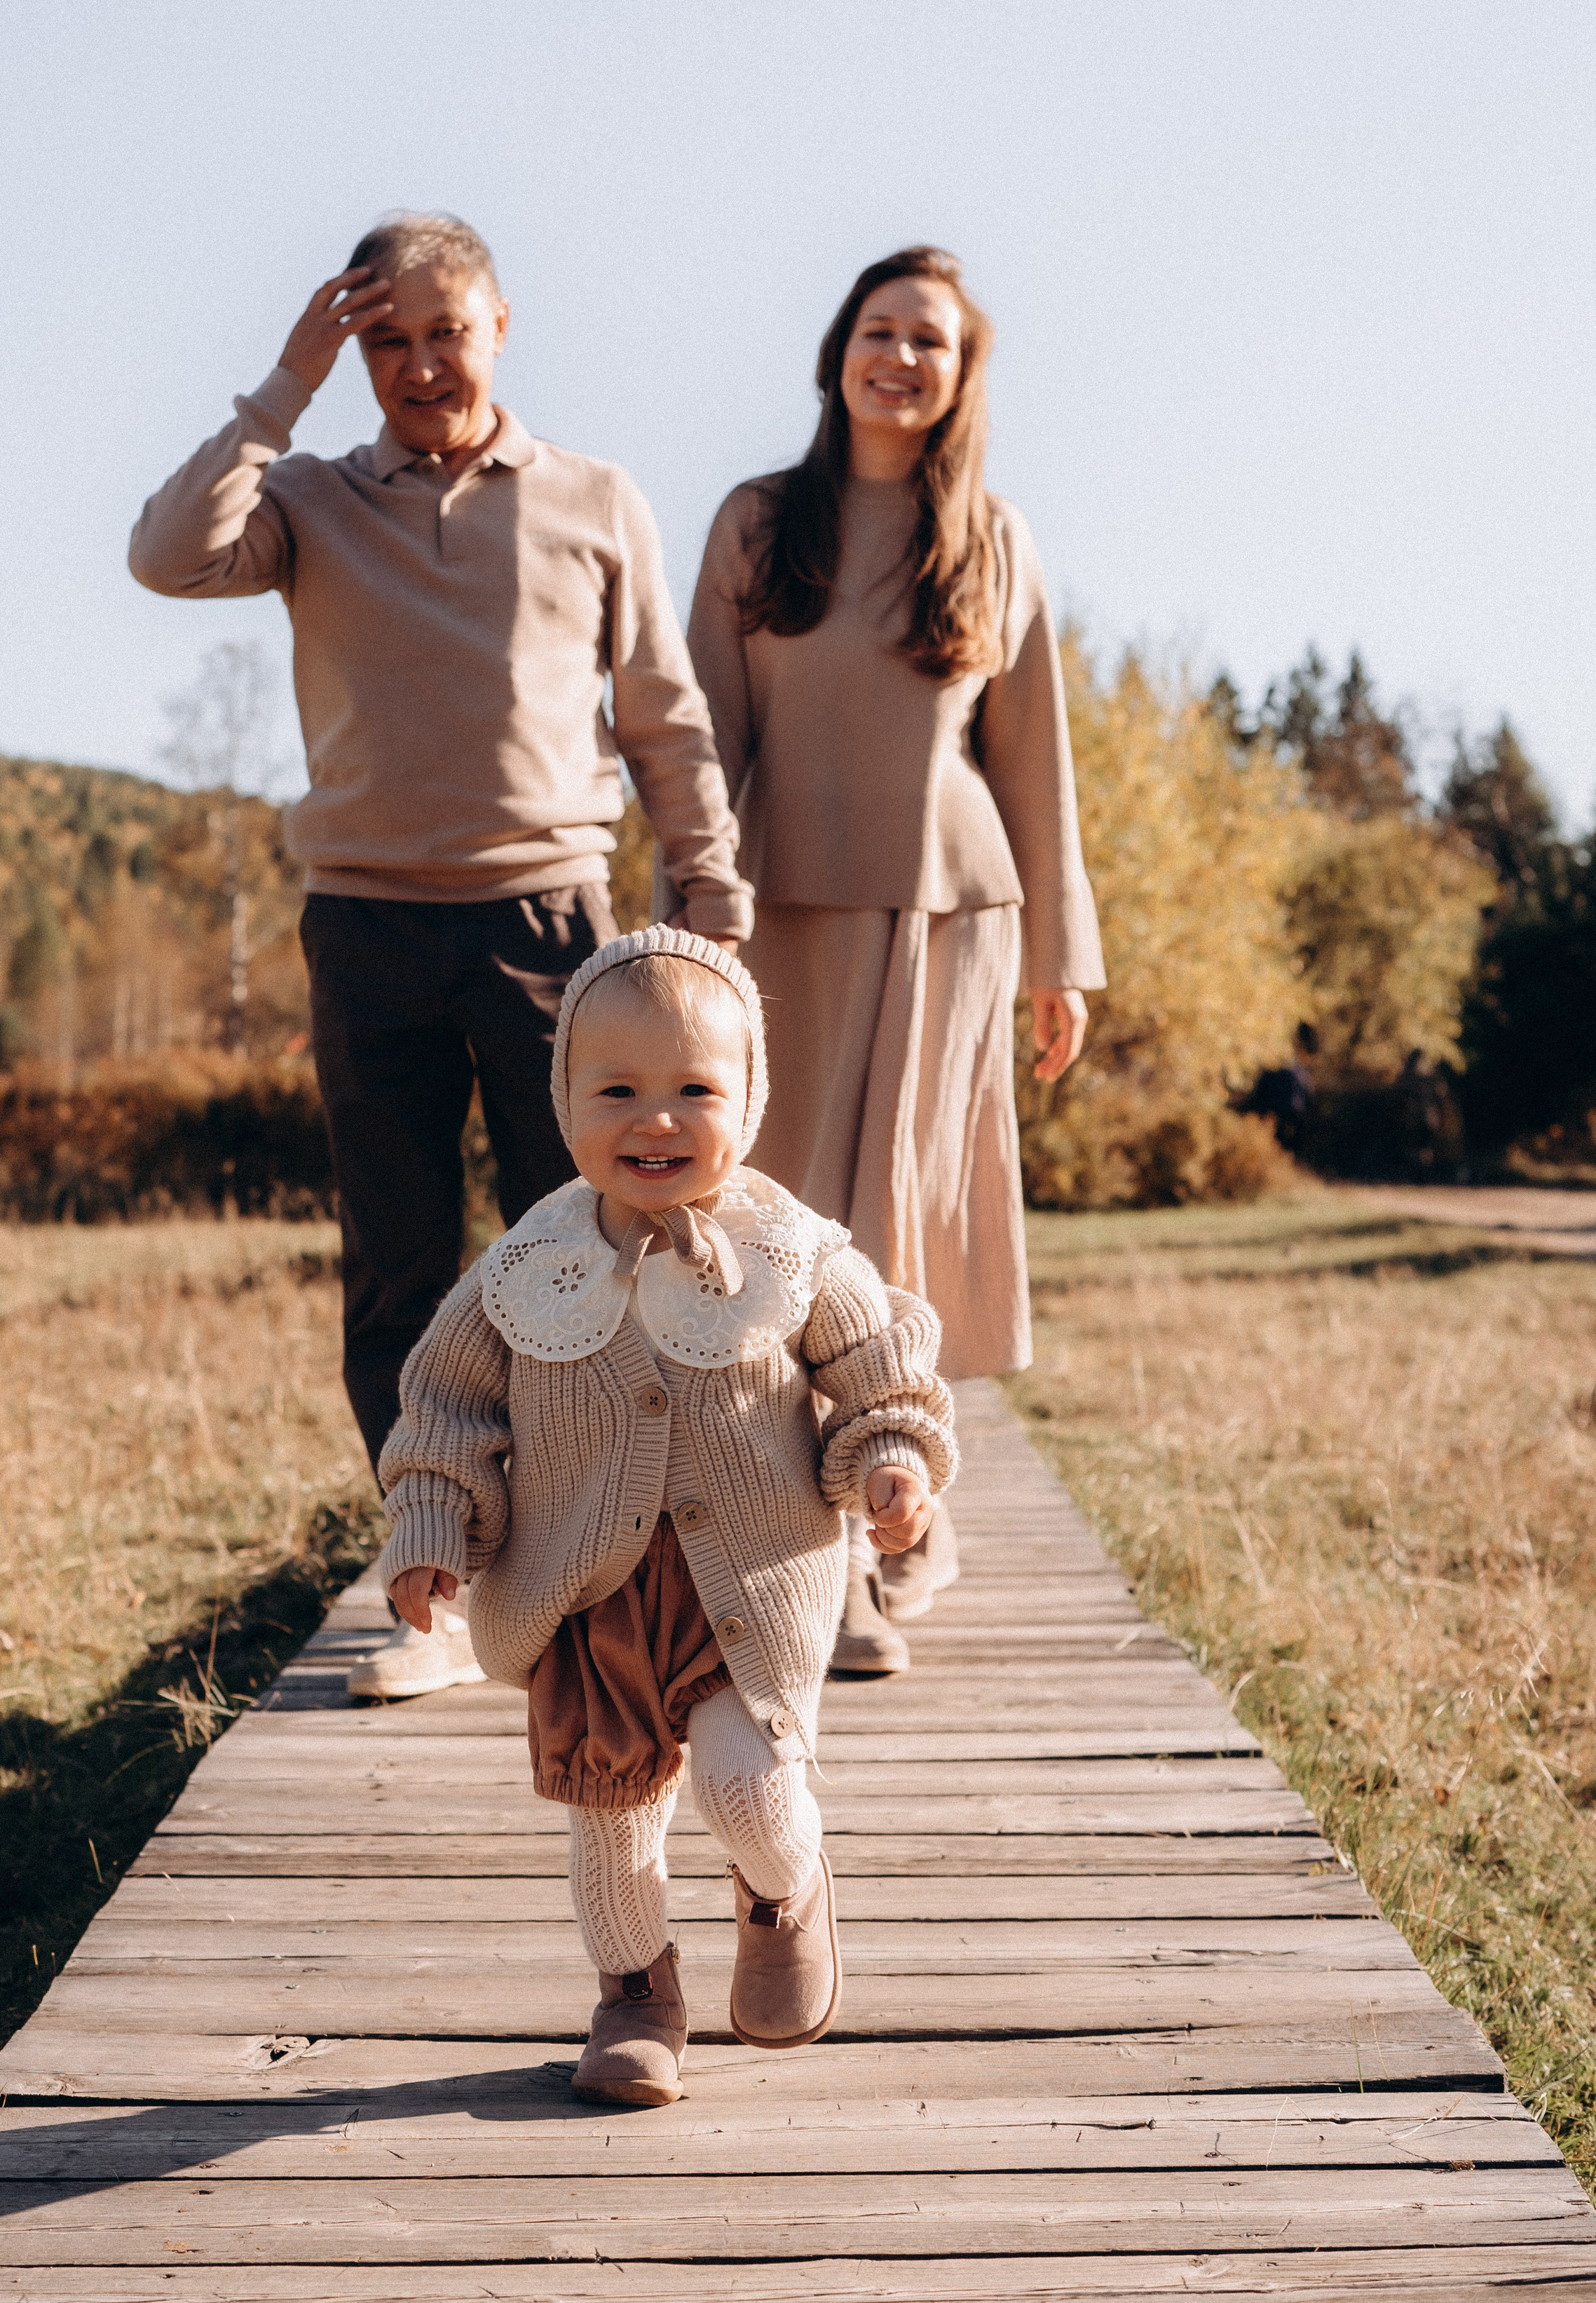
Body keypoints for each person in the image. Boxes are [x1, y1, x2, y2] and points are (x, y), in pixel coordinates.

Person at [129, 215, 752, 1701]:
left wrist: (711, 893)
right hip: (365, 927)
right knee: (399, 1271)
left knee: (593, 1256)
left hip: (549, 925)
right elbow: (165, 558)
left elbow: (660, 717)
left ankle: (610, 1557)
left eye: (443, 330)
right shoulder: (306, 501)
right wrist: (280, 384)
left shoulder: (596, 500)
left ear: (499, 325)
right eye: (383, 338)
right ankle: (432, 1592)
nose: (417, 363)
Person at [376, 925, 957, 2106]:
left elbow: (881, 1363)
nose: (657, 1119)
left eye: (696, 1089)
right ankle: (635, 1995)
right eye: (619, 1090)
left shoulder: (790, 1250)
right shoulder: (522, 1269)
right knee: (613, 1828)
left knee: (750, 1789)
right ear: (562, 1100)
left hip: (749, 1581)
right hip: (588, 1603)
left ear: (750, 1099)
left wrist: (892, 1458)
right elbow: (444, 1413)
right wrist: (432, 1535)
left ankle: (785, 1889)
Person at [686, 245, 1103, 1676]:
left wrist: (1064, 957)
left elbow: (1033, 763)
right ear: (836, 353)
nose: (900, 359)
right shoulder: (755, 525)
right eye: (880, 331)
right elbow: (701, 737)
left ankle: (886, 1532)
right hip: (777, 911)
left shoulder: (994, 539)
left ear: (959, 373)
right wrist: (693, 909)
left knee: (903, 1234)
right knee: (790, 1243)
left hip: (951, 923)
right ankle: (827, 1547)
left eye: (929, 341)